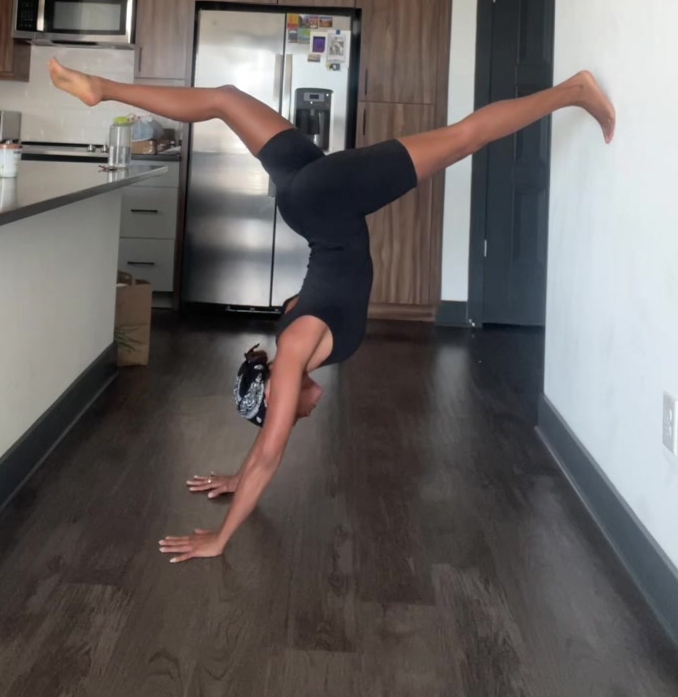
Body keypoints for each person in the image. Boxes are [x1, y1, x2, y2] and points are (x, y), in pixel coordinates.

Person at [49, 59, 615, 563]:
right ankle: (102, 88)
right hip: (306, 194)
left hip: (325, 198)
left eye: (289, 409)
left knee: (464, 137)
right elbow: (262, 445)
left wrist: (221, 536)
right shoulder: (290, 346)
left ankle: (574, 89)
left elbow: (270, 453)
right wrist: (235, 477)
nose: (302, 412)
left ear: (278, 390)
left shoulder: (296, 350)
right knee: (223, 98)